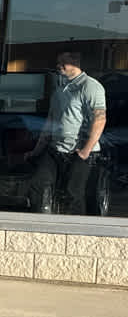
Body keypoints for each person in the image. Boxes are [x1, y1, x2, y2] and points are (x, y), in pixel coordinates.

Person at [18, 50, 107, 215]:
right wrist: (36, 151)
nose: (58, 66)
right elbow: (50, 122)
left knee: (73, 193)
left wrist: (86, 150)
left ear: (75, 63)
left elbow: (100, 119)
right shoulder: (60, 88)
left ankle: (75, 232)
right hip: (55, 149)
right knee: (37, 185)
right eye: (58, 63)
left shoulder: (90, 87)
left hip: (79, 151)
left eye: (63, 63)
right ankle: (40, 225)